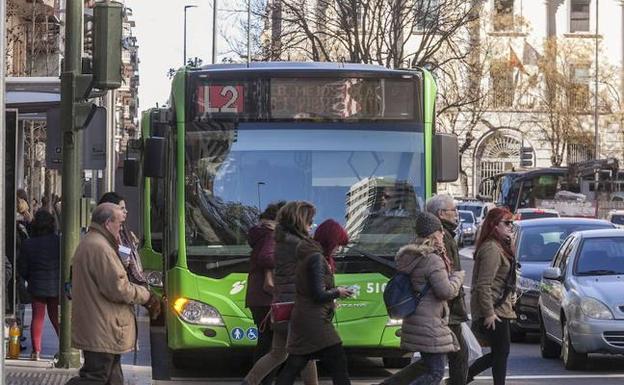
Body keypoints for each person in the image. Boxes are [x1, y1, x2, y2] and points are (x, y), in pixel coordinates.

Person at [66, 203, 160, 385]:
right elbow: (119, 288)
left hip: (102, 327)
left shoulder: (95, 242)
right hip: (101, 328)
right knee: (96, 377)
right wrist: (146, 296)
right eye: (119, 223)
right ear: (108, 223)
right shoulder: (100, 248)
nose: (121, 228)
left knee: (112, 377)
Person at [242, 201, 319, 385]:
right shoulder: (298, 244)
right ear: (301, 220)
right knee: (304, 351)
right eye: (310, 221)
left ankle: (249, 382)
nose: (312, 225)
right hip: (295, 304)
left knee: (278, 352)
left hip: (281, 303)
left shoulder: (281, 239)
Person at [387, 212, 464, 385]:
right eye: (440, 230)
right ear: (432, 234)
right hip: (429, 323)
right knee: (435, 373)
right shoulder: (431, 260)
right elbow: (445, 291)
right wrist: (458, 278)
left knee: (429, 367)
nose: (443, 234)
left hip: (417, 320)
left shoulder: (410, 255)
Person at [275, 219, 353, 385]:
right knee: (338, 360)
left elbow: (313, 289)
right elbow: (318, 294)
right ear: (330, 240)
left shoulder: (308, 254)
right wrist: (338, 292)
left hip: (305, 316)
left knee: (295, 363)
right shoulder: (317, 258)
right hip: (315, 320)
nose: (338, 249)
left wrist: (333, 295)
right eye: (338, 244)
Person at [467, 207, 517, 385]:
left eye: (512, 223)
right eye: (507, 223)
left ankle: (462, 377)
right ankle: (463, 377)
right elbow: (483, 284)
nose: (511, 226)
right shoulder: (491, 249)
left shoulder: (500, 246)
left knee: (500, 353)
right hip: (494, 309)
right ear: (494, 226)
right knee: (501, 352)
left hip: (500, 307)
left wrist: (511, 246)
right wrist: (489, 313)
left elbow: (508, 277)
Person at [244, 201, 286, 385]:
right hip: (267, 298)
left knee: (267, 344)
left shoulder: (261, 233)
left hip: (258, 297)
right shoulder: (271, 235)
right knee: (273, 347)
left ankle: (258, 381)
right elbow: (266, 258)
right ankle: (260, 381)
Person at [18, 210, 60, 360]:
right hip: (55, 285)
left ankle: (36, 351)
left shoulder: (28, 244)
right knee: (55, 316)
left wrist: (31, 277)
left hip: (36, 286)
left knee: (38, 317)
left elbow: (22, 267)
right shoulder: (58, 241)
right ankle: (65, 346)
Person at [98, 192, 147, 286]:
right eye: (122, 208)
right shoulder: (101, 235)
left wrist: (133, 246)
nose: (126, 211)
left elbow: (129, 259)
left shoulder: (124, 233)